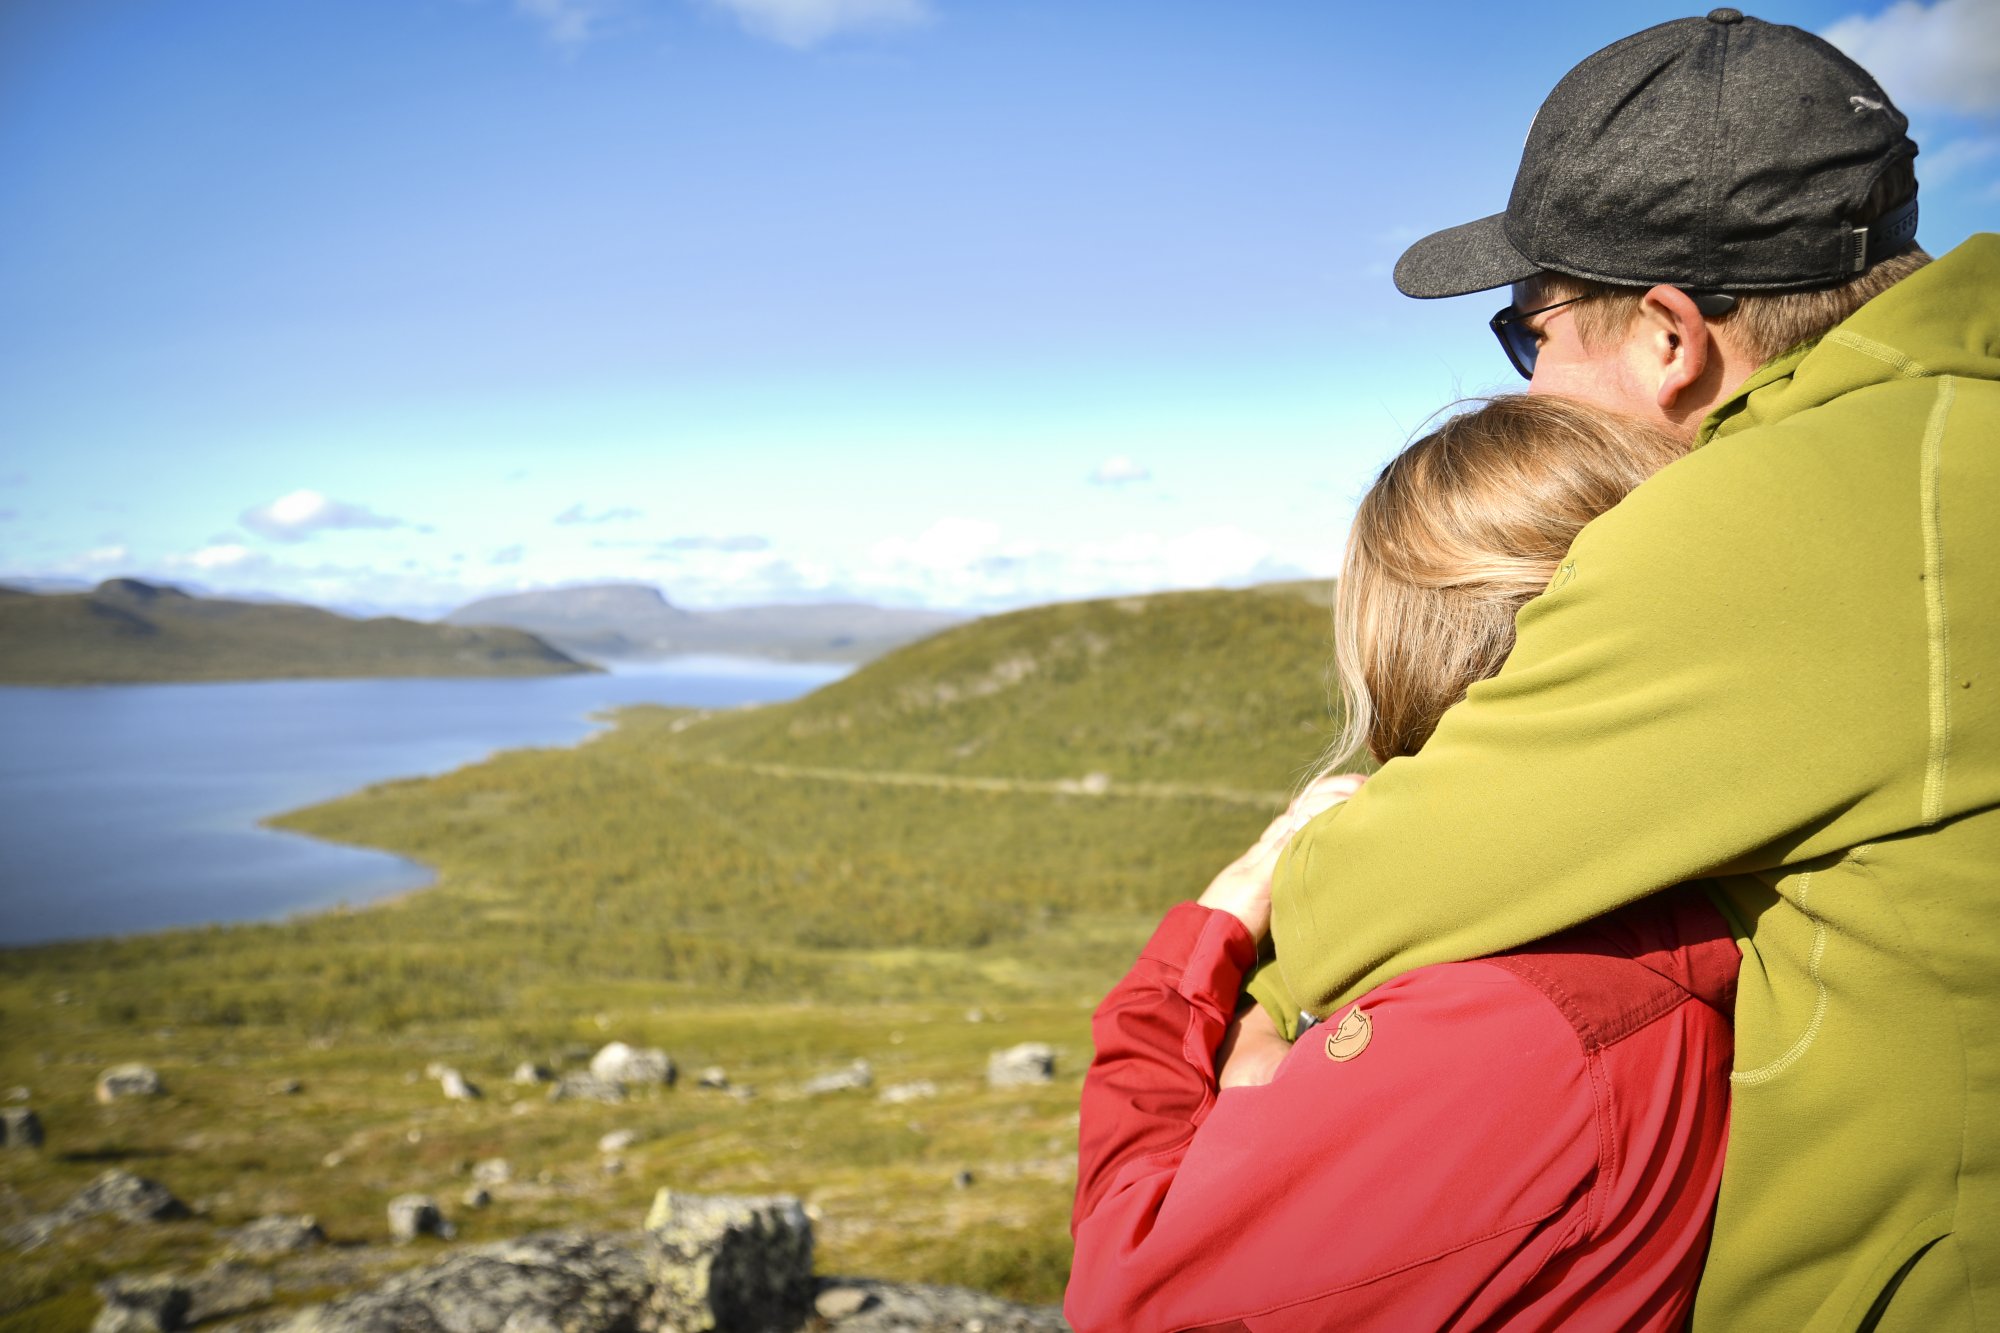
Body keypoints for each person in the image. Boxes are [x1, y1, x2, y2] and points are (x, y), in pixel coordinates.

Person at [1251, 12, 1999, 1330]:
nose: (1529, 380)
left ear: (1671, 335)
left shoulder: (1775, 523)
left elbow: (1352, 912)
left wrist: (1242, 960)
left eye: (1529, 327)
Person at [1068, 395, 1738, 1332]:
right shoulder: (1684, 916)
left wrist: (1203, 954)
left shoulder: (1506, 1018)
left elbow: (1130, 1291)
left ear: (1402, 647)